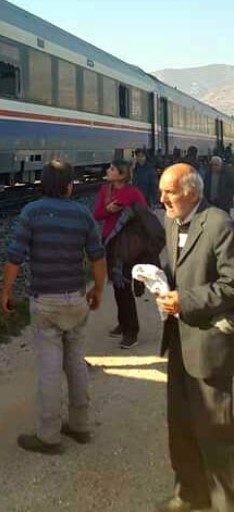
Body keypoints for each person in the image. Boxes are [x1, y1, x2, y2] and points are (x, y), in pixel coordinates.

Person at [0, 159, 106, 454]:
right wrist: (97, 289)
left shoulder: (31, 212)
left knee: (49, 368)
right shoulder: (83, 215)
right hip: (75, 298)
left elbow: (15, 257)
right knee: (75, 362)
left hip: (45, 301)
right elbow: (98, 256)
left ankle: (49, 435)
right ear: (70, 186)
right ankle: (81, 425)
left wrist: (6, 292)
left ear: (42, 185)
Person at [157, 163, 234, 512]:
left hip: (208, 344)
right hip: (178, 341)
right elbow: (175, 266)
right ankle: (190, 494)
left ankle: (224, 503)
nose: (161, 199)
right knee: (181, 424)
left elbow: (230, 285)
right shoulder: (172, 222)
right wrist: (157, 280)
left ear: (191, 191)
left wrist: (185, 300)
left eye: (168, 192)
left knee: (216, 431)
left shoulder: (218, 224)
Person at [94, 160, 148, 349]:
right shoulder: (105, 190)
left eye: (112, 169)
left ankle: (131, 332)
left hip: (127, 245)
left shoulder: (133, 193)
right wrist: (107, 211)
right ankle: (123, 322)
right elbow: (97, 214)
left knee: (124, 286)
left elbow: (144, 216)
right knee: (117, 286)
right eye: (108, 167)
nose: (108, 170)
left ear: (122, 175)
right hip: (110, 241)